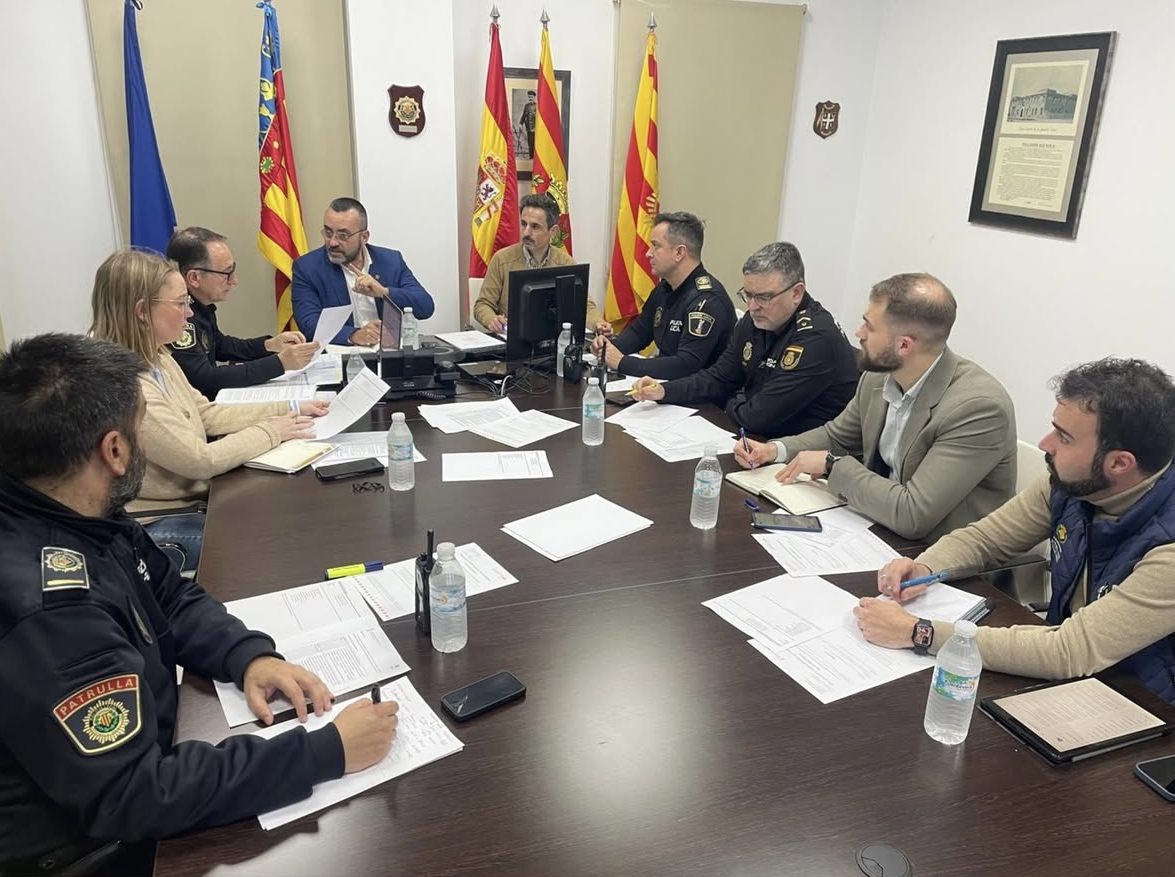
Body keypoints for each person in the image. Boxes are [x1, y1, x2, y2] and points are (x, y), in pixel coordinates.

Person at [0, 333, 401, 876]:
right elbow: (135, 794)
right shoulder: (52, 609)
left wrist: (246, 655)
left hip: (128, 767)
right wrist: (325, 752)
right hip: (85, 849)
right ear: (114, 451)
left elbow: (167, 592)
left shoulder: (70, 507)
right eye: (141, 427)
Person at [854, 358, 1175, 703]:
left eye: (1064, 438)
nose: (1045, 444)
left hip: (1142, 702)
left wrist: (918, 632)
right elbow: (986, 539)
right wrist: (925, 567)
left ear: (1119, 463)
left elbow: (1070, 651)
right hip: (1075, 678)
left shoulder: (1168, 549)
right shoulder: (1074, 485)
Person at [89, 250, 328, 569]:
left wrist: (291, 407)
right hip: (156, 522)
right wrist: (272, 431)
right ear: (143, 311)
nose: (190, 313)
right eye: (180, 303)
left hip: (192, 499)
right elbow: (200, 461)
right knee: (276, 535)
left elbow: (206, 413)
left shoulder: (157, 356)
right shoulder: (126, 386)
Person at [735, 273, 1016, 541]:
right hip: (876, 526)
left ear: (903, 346)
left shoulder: (978, 409)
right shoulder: (879, 376)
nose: (859, 333)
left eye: (869, 326)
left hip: (940, 555)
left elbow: (913, 513)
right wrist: (775, 450)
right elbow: (837, 436)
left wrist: (833, 465)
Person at [631, 241, 858, 436]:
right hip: (758, 440)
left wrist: (728, 400)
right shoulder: (759, 318)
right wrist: (664, 391)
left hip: (802, 455)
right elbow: (719, 377)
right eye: (748, 295)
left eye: (764, 297)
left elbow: (758, 417)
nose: (752, 306)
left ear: (796, 293)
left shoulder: (816, 338)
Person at [165, 227, 319, 397]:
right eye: (226, 273)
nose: (234, 280)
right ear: (194, 278)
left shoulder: (200, 304)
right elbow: (205, 379)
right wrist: (279, 363)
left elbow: (219, 344)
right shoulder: (178, 315)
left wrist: (270, 345)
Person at [591, 211, 736, 380]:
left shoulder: (708, 300)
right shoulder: (665, 288)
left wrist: (622, 362)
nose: (648, 253)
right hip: (667, 385)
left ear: (679, 253)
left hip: (702, 392)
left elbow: (685, 365)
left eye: (656, 246)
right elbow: (639, 334)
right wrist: (607, 348)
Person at [292, 197, 434, 346]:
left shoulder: (391, 261)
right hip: (341, 354)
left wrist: (384, 292)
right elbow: (309, 324)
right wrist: (354, 335)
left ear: (364, 237)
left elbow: (425, 307)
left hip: (388, 352)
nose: (332, 242)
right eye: (328, 233)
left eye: (343, 235)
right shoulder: (307, 268)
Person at [473, 193, 604, 333]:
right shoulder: (502, 259)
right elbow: (483, 304)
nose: (526, 233)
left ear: (553, 231)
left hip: (551, 338)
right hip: (511, 337)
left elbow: (584, 306)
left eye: (535, 227)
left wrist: (598, 323)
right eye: (524, 224)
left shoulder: (565, 263)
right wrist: (492, 319)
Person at [520, 89, 537, 158]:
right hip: (529, 127)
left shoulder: (537, 106)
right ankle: (531, 156)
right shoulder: (526, 106)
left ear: (534, 97)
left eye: (531, 97)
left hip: (536, 127)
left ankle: (536, 158)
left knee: (535, 143)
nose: (530, 98)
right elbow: (524, 115)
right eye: (529, 97)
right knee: (530, 142)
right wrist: (521, 123)